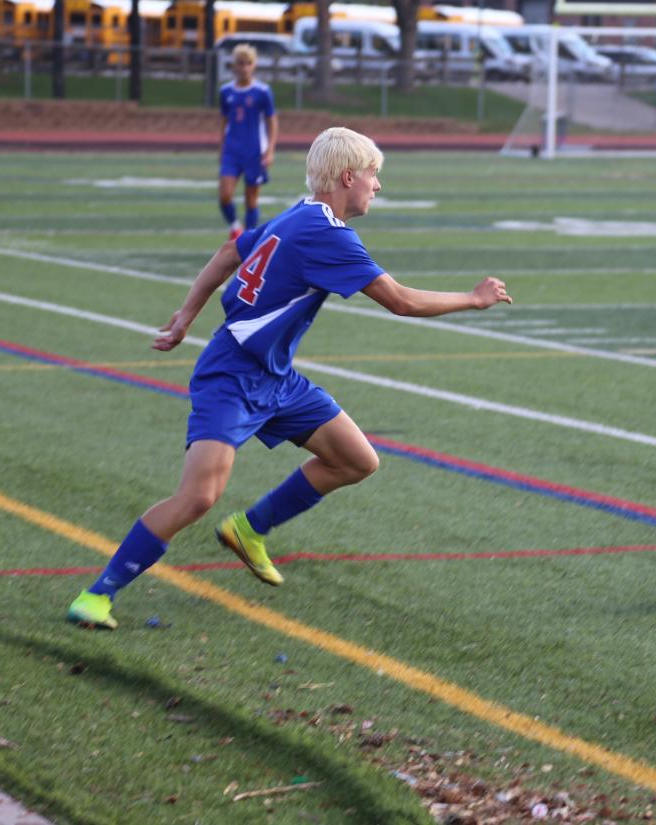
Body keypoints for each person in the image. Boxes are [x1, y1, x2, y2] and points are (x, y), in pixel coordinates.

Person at [67, 127, 513, 629]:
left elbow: (227, 253)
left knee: (356, 460)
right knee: (197, 496)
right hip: (233, 375)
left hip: (274, 378)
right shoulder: (328, 234)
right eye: (373, 175)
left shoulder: (301, 213)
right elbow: (402, 302)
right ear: (348, 177)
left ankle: (249, 528)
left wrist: (185, 315)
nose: (377, 186)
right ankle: (98, 594)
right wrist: (473, 299)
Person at [217, 44, 279, 240]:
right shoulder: (226, 91)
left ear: (254, 65)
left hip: (254, 151)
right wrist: (222, 147)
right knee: (225, 194)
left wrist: (269, 151)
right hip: (232, 151)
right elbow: (224, 121)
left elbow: (272, 122)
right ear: (233, 66)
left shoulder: (262, 92)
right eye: (240, 63)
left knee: (251, 198)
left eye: (248, 63)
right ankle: (236, 227)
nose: (244, 68)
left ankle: (248, 236)